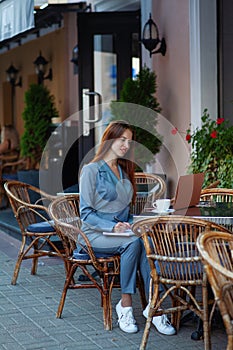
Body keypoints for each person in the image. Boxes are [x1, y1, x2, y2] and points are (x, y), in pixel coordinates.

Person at [79, 120, 176, 335]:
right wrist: (112, 227)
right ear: (109, 139)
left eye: (129, 141)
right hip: (93, 234)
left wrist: (145, 216)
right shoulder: (91, 170)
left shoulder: (123, 171)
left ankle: (154, 306)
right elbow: (85, 214)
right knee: (133, 242)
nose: (125, 145)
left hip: (120, 233)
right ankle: (125, 304)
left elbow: (123, 212)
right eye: (122, 139)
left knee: (146, 240)